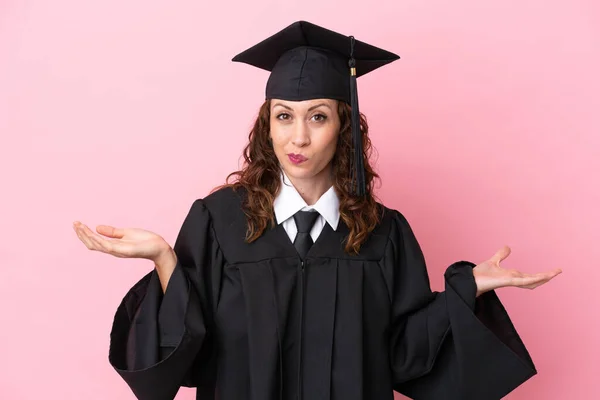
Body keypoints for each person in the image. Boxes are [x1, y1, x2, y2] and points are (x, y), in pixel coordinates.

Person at [73, 21, 561, 400]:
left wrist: (466, 289)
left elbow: (403, 355)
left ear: (343, 128)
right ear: (267, 125)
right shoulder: (218, 221)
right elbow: (191, 348)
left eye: (318, 117)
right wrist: (164, 259)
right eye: (284, 116)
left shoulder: (384, 233)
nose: (298, 137)